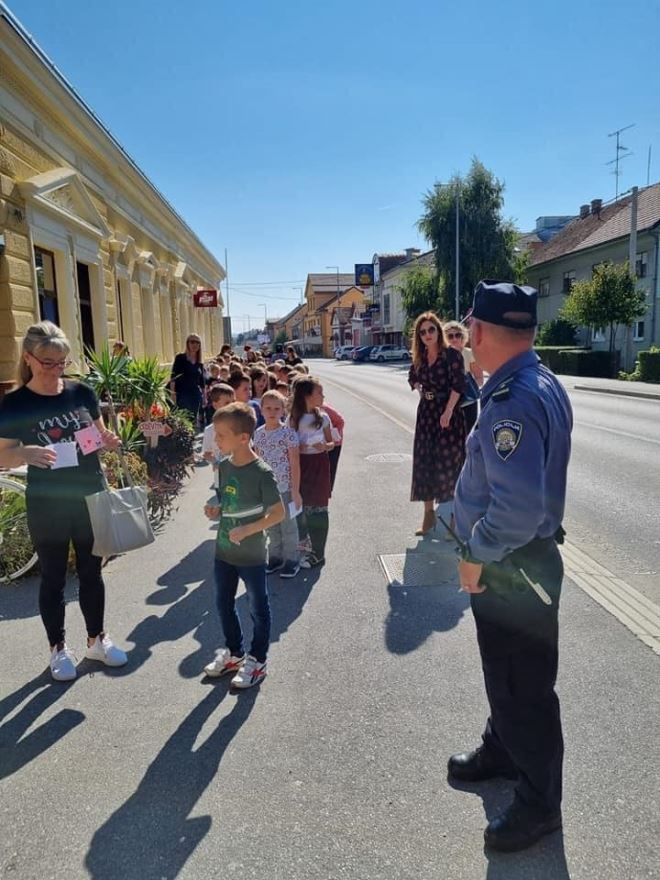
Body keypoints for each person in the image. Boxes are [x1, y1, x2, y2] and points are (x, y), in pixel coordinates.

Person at [449, 281, 573, 853]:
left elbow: (517, 510)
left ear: (477, 331)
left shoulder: (512, 400)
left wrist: (474, 555)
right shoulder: (535, 379)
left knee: (524, 689)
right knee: (507, 676)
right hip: (520, 564)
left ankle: (540, 805)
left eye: (469, 328)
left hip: (510, 565)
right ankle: (503, 749)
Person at [0, 321, 127, 681]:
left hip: (88, 493)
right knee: (53, 577)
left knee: (92, 572)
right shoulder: (16, 403)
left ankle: (96, 640)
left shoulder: (81, 392)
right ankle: (58, 648)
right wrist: (25, 452)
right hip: (48, 501)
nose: (56, 370)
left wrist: (109, 441)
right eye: (48, 363)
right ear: (29, 358)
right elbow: (2, 454)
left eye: (62, 362)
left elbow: (98, 436)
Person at [203, 402, 285, 688]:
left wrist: (248, 529)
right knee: (223, 604)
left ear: (242, 438)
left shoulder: (262, 472)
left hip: (252, 554)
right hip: (224, 551)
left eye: (221, 435)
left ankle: (258, 660)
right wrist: (216, 510)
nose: (216, 440)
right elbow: (227, 501)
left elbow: (278, 513)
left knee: (258, 608)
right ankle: (235, 653)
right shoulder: (224, 466)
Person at [408, 311, 466, 536]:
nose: (427, 334)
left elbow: (458, 385)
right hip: (426, 414)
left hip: (448, 414)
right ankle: (428, 514)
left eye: (431, 329)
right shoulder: (420, 356)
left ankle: (455, 518)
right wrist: (420, 389)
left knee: (449, 466)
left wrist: (448, 411)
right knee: (425, 463)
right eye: (422, 332)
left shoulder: (452, 355)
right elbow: (412, 377)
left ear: (438, 330)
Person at [253, 390, 302, 578]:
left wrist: (295, 491)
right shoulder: (258, 434)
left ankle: (292, 560)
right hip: (267, 490)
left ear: (283, 410)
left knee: (288, 526)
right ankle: (275, 557)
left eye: (276, 408)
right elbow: (258, 461)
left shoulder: (288, 434)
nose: (272, 412)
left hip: (285, 488)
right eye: (268, 408)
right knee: (271, 525)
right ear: (261, 410)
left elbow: (295, 463)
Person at [288, 376, 334, 568]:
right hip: (300, 465)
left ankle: (319, 553)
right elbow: (289, 444)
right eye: (319, 392)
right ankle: (306, 546)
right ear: (306, 395)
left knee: (319, 507)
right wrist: (299, 448)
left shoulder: (323, 417)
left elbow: (332, 442)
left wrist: (325, 446)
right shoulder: (293, 419)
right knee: (302, 507)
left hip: (319, 464)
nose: (323, 396)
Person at [443, 320, 484, 437]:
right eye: (450, 336)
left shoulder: (469, 353)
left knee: (467, 436)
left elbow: (479, 378)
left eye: (458, 335)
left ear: (463, 337)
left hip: (467, 402)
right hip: (447, 404)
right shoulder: (441, 355)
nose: (454, 338)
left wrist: (465, 386)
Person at [201, 383, 235, 494]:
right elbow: (206, 453)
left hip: (241, 476)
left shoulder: (239, 426)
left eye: (233, 402)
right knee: (224, 503)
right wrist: (215, 462)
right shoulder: (210, 430)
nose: (231, 406)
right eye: (227, 403)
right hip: (220, 478)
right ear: (215, 405)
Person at [170, 334, 205, 428]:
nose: (195, 344)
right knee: (184, 419)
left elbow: (202, 382)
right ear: (187, 344)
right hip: (182, 394)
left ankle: (191, 435)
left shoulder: (199, 363)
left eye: (197, 342)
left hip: (195, 395)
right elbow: (173, 377)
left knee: (193, 418)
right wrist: (172, 394)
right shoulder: (180, 358)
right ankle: (185, 435)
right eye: (192, 342)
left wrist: (204, 397)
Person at [321, 401, 345, 492]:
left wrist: (332, 435)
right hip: (324, 444)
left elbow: (341, 421)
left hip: (335, 442)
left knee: (330, 468)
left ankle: (328, 491)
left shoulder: (325, 408)